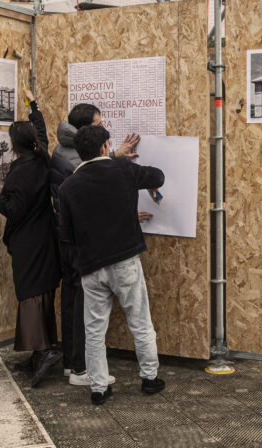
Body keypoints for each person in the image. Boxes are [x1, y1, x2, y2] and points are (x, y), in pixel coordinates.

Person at [58, 124, 165, 405]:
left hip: (91, 266)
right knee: (140, 321)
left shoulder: (68, 186)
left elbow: (66, 235)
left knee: (94, 330)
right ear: (106, 146)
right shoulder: (123, 170)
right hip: (125, 261)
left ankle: (99, 388)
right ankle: (150, 379)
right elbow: (158, 176)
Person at [0, 87, 63, 387]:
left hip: (28, 241)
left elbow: (12, 210)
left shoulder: (21, 172)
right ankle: (43, 348)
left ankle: (42, 351)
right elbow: (41, 132)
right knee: (41, 292)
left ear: (14, 144)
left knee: (29, 294)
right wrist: (32, 103)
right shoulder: (41, 159)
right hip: (45, 237)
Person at [50, 102, 139, 386]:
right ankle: (79, 369)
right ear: (87, 128)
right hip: (79, 237)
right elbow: (88, 175)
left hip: (68, 233)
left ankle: (71, 363)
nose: (103, 127)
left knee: (72, 297)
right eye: (99, 124)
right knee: (81, 304)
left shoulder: (63, 144)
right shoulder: (74, 152)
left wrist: (112, 154)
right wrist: (115, 158)